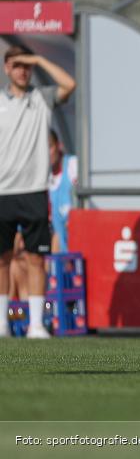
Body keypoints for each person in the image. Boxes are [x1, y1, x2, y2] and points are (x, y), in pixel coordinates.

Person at [0, 46, 76, 338]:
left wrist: (40, 59)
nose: (22, 70)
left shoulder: (41, 98)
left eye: (26, 66)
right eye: (16, 65)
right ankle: (4, 323)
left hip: (33, 190)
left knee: (35, 259)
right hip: (3, 190)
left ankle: (35, 324)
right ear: (6, 68)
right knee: (4, 259)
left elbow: (70, 85)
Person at [48, 129, 78, 253]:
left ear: (59, 146)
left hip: (80, 248)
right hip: (61, 250)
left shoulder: (73, 164)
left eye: (49, 147)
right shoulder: (43, 179)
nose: (46, 154)